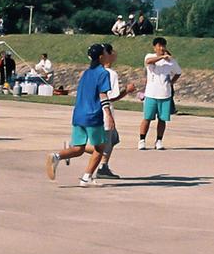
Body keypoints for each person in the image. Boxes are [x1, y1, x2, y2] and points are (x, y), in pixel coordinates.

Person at [46, 44, 112, 187]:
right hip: (93, 115)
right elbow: (103, 94)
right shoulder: (103, 73)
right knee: (101, 149)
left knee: (78, 148)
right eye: (106, 52)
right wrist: (109, 114)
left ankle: (56, 156)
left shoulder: (86, 73)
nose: (108, 54)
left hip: (78, 115)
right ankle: (86, 178)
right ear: (101, 57)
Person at [97, 42, 135, 179]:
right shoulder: (110, 73)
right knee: (104, 144)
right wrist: (127, 90)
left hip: (94, 111)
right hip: (105, 113)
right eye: (112, 52)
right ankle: (71, 150)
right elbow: (111, 97)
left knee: (112, 139)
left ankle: (103, 166)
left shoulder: (93, 71)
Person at [138, 37, 181, 150]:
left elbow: (178, 72)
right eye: (159, 46)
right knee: (147, 118)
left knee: (162, 119)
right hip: (151, 94)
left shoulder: (171, 61)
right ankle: (142, 140)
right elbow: (148, 62)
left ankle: (159, 141)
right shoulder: (150, 56)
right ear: (155, 47)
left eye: (163, 46)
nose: (161, 48)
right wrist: (162, 57)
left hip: (165, 94)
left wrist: (172, 82)